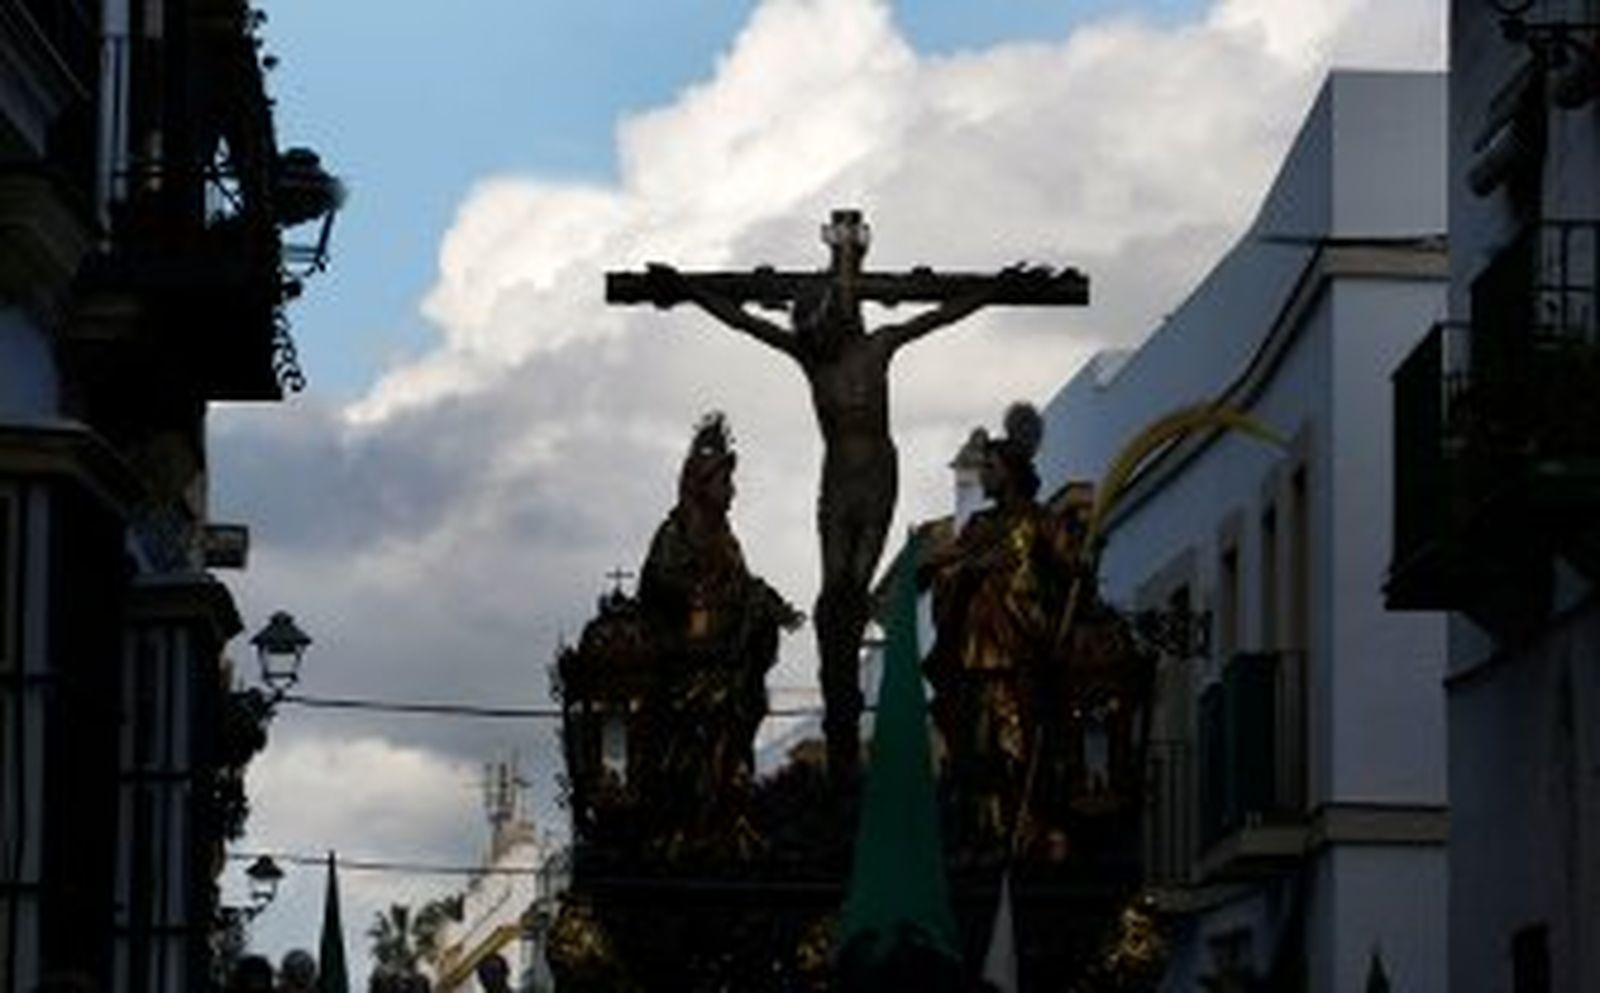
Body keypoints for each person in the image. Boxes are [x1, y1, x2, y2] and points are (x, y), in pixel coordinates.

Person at [649, 213, 1008, 783]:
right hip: (837, 480)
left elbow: (939, 316)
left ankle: (843, 707)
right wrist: (688, 288)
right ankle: (838, 698)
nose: (815, 339)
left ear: (837, 319)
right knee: (831, 594)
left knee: (853, 589)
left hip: (877, 477)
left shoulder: (878, 346)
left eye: (820, 328)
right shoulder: (809, 355)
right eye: (809, 333)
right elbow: (743, 321)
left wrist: (995, 290)